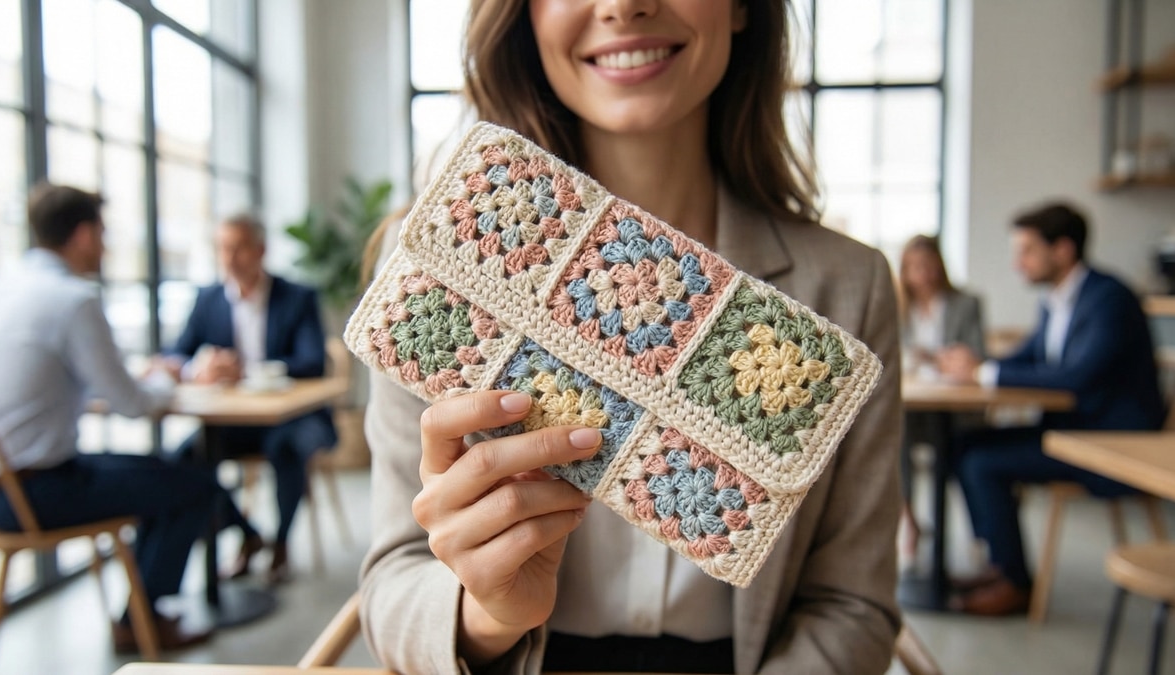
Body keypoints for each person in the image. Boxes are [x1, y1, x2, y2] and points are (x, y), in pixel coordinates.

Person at [359, 1, 903, 673]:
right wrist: (486, 613)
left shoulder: (849, 289)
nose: (623, 5)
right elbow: (391, 583)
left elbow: (853, 606)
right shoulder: (432, 267)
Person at [0, 183, 217, 652]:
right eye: (103, 234)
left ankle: (140, 611)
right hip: (35, 491)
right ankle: (140, 621)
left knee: (161, 470)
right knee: (194, 486)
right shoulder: (71, 299)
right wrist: (173, 377)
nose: (105, 246)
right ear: (84, 235)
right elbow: (132, 404)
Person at [937, 201, 1164, 616]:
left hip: (1108, 443)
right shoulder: (1057, 300)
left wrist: (986, 374)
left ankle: (1015, 584)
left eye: (1026, 251)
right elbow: (1031, 356)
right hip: (1071, 431)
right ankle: (1001, 563)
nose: (1017, 263)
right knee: (962, 445)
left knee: (983, 461)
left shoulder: (1108, 299)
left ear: (1062, 250)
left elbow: (1077, 377)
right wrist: (975, 366)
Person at [170, 213, 337, 584]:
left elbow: (312, 362)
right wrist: (198, 369)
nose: (230, 258)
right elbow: (177, 353)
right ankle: (247, 532)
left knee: (287, 448)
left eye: (239, 248)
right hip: (235, 423)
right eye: (223, 249)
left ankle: (281, 543)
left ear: (260, 251)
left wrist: (244, 370)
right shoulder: (208, 299)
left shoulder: (297, 297)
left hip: (297, 418)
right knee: (185, 459)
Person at [897, 234, 985, 558]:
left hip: (956, 408)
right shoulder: (899, 306)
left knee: (963, 451)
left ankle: (979, 533)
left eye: (930, 266)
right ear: (905, 271)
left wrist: (941, 358)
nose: (924, 274)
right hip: (915, 408)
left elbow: (976, 354)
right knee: (895, 435)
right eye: (916, 267)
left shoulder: (966, 303)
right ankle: (909, 520)